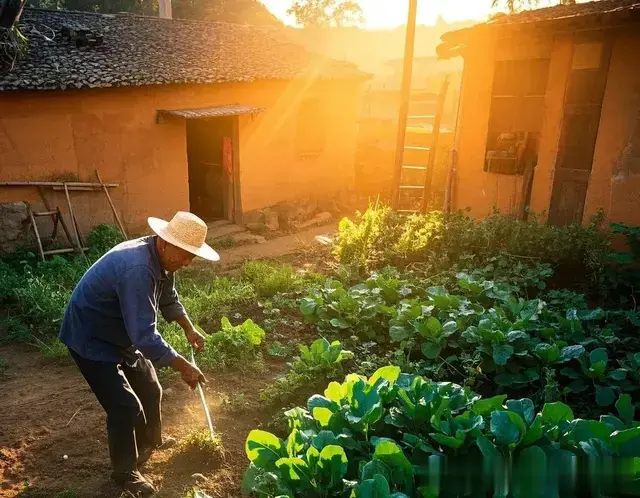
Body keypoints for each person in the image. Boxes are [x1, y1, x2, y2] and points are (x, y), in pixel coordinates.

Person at [59, 211, 220, 496]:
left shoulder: (163, 261)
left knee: (150, 386)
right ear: (165, 242)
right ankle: (125, 473)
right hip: (91, 336)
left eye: (191, 257)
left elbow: (169, 298)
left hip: (120, 331)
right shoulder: (138, 269)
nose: (186, 262)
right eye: (184, 255)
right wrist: (182, 365)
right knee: (123, 406)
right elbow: (144, 336)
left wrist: (189, 329)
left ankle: (151, 440)